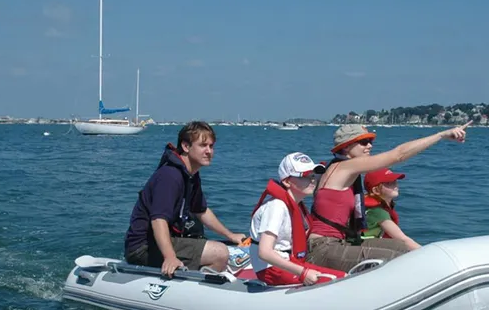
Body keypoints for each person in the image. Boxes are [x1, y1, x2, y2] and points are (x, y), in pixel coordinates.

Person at [307, 122, 470, 272]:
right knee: (399, 260)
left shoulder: (339, 167)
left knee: (402, 248)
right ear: (346, 147)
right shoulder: (345, 167)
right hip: (323, 249)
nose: (369, 146)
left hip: (339, 243)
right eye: (363, 142)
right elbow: (398, 155)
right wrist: (440, 135)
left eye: (370, 141)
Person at [123, 121, 246, 276]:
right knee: (220, 253)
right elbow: (158, 220)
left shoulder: (191, 175)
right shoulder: (170, 176)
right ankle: (196, 291)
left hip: (164, 241)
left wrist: (230, 235)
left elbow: (201, 211)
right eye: (203, 145)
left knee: (212, 243)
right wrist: (170, 257)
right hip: (143, 248)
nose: (209, 151)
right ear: (186, 147)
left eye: (211, 146)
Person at [249, 152, 346, 286]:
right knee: (334, 281)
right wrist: (303, 272)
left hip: (289, 261)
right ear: (287, 181)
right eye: (305, 176)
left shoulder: (297, 205)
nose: (312, 180)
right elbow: (265, 252)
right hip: (270, 269)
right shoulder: (277, 207)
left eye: (313, 175)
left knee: (343, 277)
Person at [361, 167, 421, 251]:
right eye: (389, 183)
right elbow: (403, 239)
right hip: (362, 246)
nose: (395, 185)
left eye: (395, 181)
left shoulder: (379, 206)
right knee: (401, 246)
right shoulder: (377, 211)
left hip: (367, 244)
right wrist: (425, 252)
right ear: (375, 190)